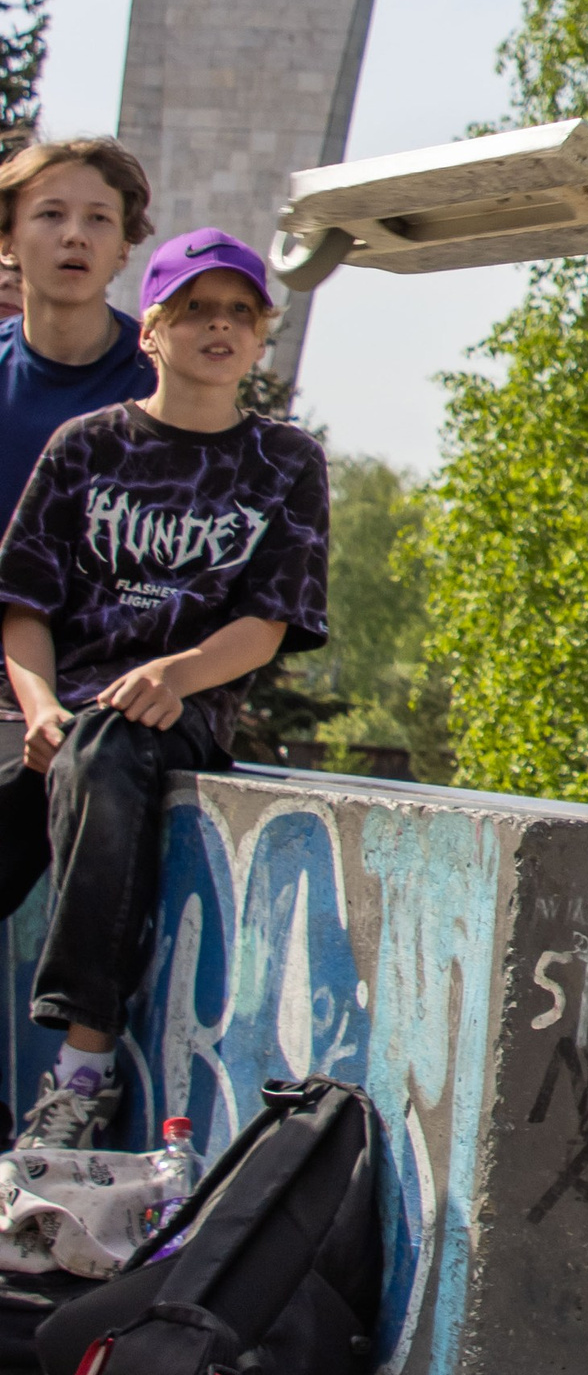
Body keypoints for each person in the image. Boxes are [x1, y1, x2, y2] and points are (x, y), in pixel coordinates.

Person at [0, 226, 330, 1150]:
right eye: (195, 312)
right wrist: (39, 710)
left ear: (261, 338)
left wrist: (174, 676)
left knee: (111, 748)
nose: (218, 329)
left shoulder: (283, 463)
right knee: (65, 771)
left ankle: (83, 1068)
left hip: (179, 714)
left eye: (239, 314)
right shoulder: (85, 446)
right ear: (151, 330)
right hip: (64, 722)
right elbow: (21, 603)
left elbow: (266, 625)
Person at [0, 139, 159, 532]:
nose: (75, 236)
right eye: (51, 214)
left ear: (124, 248)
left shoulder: (162, 376)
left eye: (98, 218)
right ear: (8, 241)